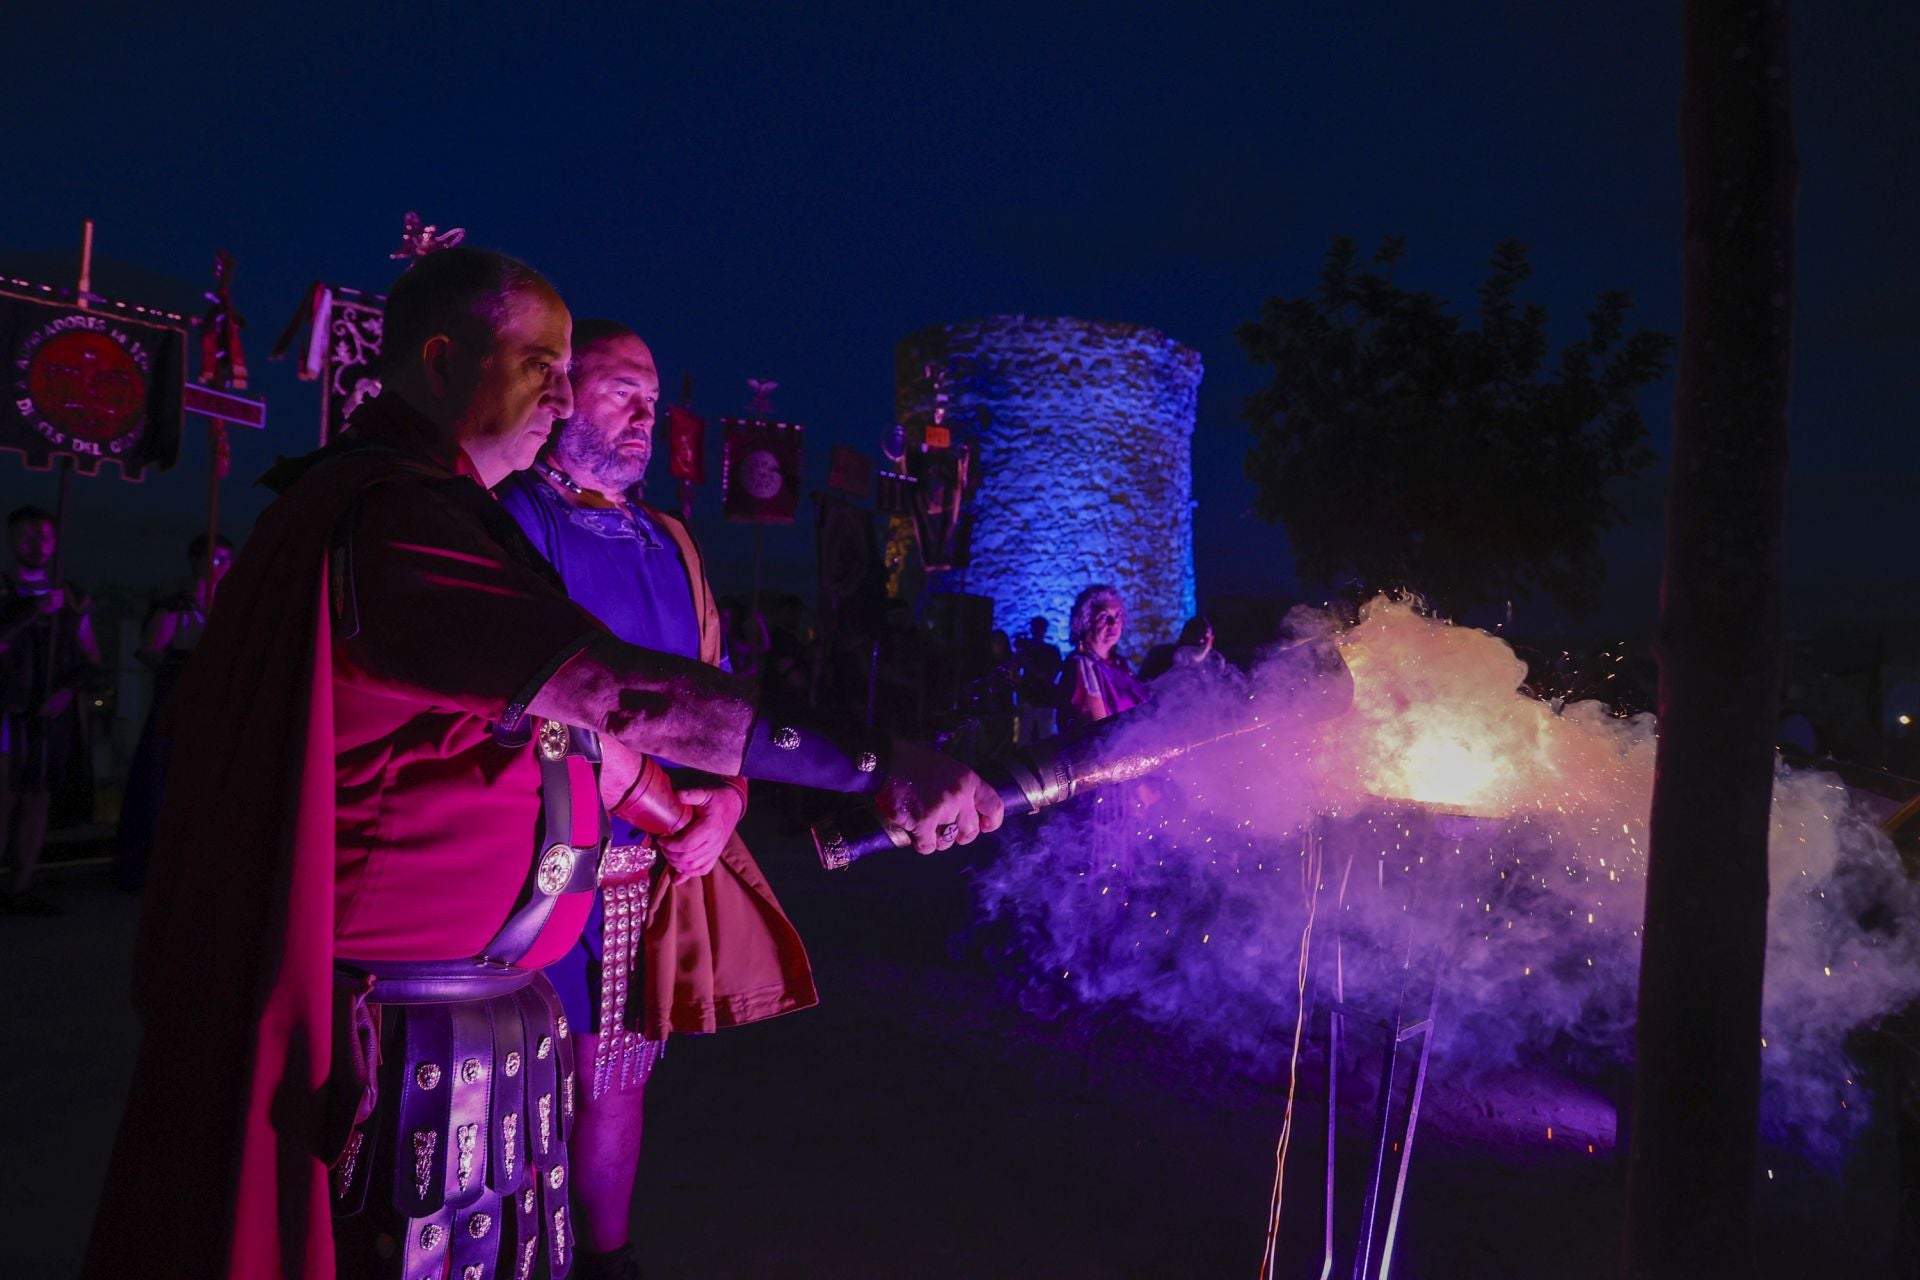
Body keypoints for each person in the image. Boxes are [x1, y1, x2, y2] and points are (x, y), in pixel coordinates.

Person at [82, 247, 1001, 1280]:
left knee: (598, 1112)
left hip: (477, 983)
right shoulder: (403, 514)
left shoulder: (498, 515)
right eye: (547, 367)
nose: (565, 398)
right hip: (400, 1012)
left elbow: (684, 681)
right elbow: (619, 695)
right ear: (439, 362)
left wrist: (727, 795)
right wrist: (874, 763)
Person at [497, 319, 798, 1279]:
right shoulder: (511, 515)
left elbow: (711, 698)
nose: (644, 412)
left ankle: (607, 1263)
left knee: (615, 1080)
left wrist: (730, 800)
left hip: (638, 873)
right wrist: (667, 803)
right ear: (561, 392)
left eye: (653, 398)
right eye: (623, 389)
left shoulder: (671, 541)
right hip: (529, 856)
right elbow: (544, 698)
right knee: (507, 1083)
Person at [113, 532, 233, 891]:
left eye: (224, 560)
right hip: (179, 701)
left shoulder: (232, 605)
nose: (217, 567)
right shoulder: (176, 606)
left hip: (219, 704)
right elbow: (152, 651)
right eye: (211, 559)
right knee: (161, 779)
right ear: (194, 561)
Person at [0, 505, 102, 915]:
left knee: (38, 798)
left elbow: (91, 658)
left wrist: (66, 693)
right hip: (6, 709)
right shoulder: (3, 591)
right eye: (27, 536)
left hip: (49, 714)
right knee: (3, 798)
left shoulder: (72, 597)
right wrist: (33, 614)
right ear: (11, 540)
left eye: (44, 537)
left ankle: (21, 885)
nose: (37, 545)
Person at [1057, 584, 1149, 734]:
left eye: (1118, 615)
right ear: (1086, 622)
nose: (1113, 623)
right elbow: (1099, 733)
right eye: (1104, 617)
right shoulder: (1082, 666)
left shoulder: (1119, 663)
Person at [1012, 615, 1062, 744]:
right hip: (1029, 699)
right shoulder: (1028, 650)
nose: (1037, 631)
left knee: (1044, 739)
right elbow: (1014, 670)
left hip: (1044, 700)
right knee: (1025, 739)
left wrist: (1030, 666)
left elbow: (1051, 675)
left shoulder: (1051, 651)